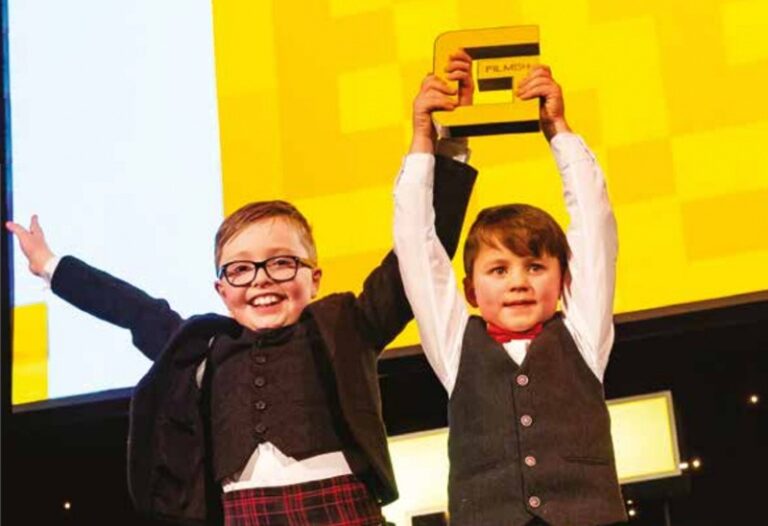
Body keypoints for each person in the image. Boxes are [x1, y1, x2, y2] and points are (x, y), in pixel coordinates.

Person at [5, 57, 477, 526]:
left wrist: (448, 149)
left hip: (342, 508)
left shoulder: (346, 325)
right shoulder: (203, 348)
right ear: (220, 289)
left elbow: (417, 257)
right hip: (244, 515)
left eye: (281, 262)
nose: (261, 279)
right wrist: (50, 266)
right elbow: (133, 309)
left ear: (315, 277)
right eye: (241, 270)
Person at [393, 64, 627, 525]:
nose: (518, 281)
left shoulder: (582, 335)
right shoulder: (456, 345)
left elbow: (596, 227)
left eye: (535, 266)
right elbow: (415, 243)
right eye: (498, 270)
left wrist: (559, 132)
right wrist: (424, 139)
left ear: (564, 280)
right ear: (470, 291)